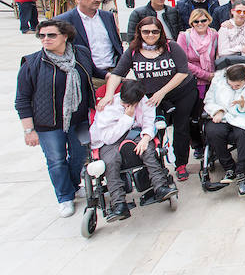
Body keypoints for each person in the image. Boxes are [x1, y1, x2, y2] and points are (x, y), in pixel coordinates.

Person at [16, 19, 108, 217]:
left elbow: (93, 72)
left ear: (65, 36)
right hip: (48, 124)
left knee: (79, 156)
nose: (46, 39)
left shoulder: (80, 53)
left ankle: (73, 185)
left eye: (51, 35)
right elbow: (22, 100)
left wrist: (112, 76)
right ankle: (65, 197)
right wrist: (29, 130)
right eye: (42, 35)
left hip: (79, 119)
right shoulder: (32, 63)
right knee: (56, 160)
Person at [100, 17, 198, 181]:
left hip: (181, 91)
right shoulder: (133, 51)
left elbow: (183, 72)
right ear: (139, 32)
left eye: (155, 31)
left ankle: (181, 164)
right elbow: (117, 74)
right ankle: (157, 168)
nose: (150, 35)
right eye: (146, 31)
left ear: (160, 32)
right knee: (154, 129)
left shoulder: (170, 46)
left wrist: (162, 92)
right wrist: (109, 94)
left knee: (181, 128)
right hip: (151, 97)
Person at [91, 80, 177, 218]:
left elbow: (149, 122)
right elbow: (108, 138)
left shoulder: (144, 101)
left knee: (148, 150)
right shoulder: (110, 106)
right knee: (111, 161)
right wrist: (127, 117)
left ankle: (160, 187)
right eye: (125, 103)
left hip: (135, 133)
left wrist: (146, 137)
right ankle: (119, 204)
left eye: (132, 104)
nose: (127, 106)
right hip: (108, 141)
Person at [204, 63, 245, 196]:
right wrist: (218, 110)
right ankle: (229, 168)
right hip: (223, 116)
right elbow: (209, 100)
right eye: (231, 85)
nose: (234, 88)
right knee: (213, 131)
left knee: (242, 133)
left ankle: (241, 172)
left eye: (237, 86)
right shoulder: (218, 81)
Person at [57, 0, 123, 80]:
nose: (97, 0)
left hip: (113, 73)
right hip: (87, 75)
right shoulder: (64, 21)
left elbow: (116, 43)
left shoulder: (107, 16)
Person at [177, 9, 218, 99]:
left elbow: (218, 57)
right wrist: (205, 75)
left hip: (212, 81)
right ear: (192, 23)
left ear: (209, 20)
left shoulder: (215, 36)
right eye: (196, 21)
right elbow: (182, 62)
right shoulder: (184, 36)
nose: (200, 23)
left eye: (203, 20)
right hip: (192, 82)